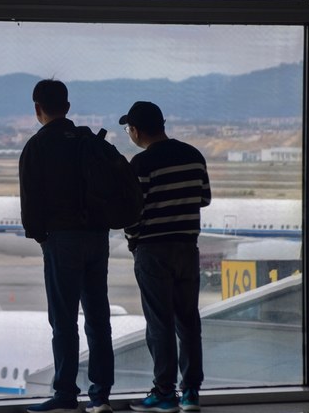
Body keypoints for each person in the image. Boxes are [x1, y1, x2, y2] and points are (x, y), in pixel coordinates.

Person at [20, 79, 114, 413]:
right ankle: (101, 395)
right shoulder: (89, 141)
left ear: (37, 108)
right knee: (98, 316)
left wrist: (41, 237)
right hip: (97, 237)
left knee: (63, 320)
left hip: (62, 241)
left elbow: (31, 203)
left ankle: (65, 394)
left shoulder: (38, 145)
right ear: (68, 107)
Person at [119, 101, 211, 413]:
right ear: (163, 123)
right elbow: (204, 197)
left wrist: (134, 241)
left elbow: (132, 213)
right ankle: (191, 394)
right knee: (188, 321)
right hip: (187, 248)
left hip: (153, 251)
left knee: (159, 324)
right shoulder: (193, 155)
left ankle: (164, 393)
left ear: (135, 130)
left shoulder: (140, 164)